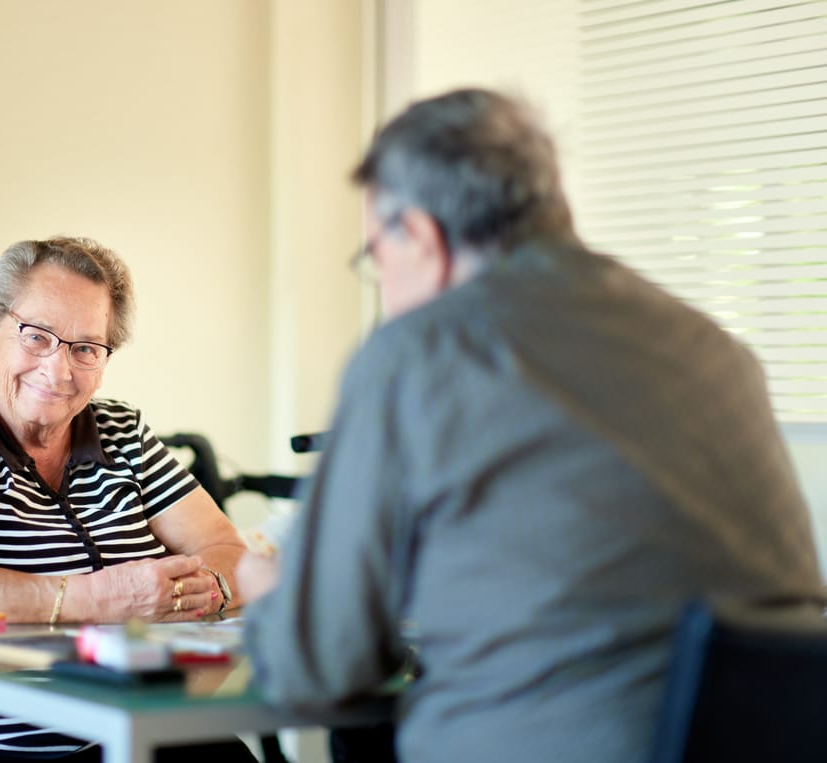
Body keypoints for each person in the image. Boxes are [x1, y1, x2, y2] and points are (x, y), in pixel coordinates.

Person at [238, 88, 824, 763]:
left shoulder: (415, 354)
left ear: (423, 237)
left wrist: (262, 587)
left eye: (376, 256)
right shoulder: (715, 349)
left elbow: (319, 670)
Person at [0, 236, 255, 762]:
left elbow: (228, 549)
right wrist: (96, 602)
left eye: (85, 348)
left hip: (121, 721)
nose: (59, 370)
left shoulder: (119, 430)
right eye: (37, 336)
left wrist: (197, 594)